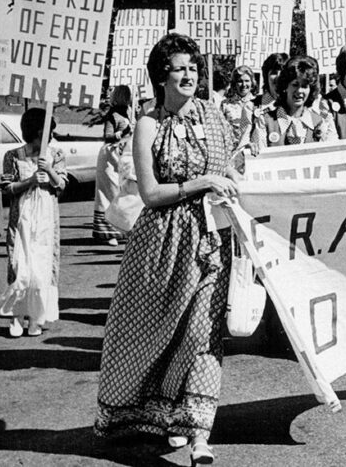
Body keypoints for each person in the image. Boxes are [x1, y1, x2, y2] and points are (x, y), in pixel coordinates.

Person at [95, 33, 240, 463]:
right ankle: (164, 415)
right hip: (162, 244)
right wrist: (202, 182)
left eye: (194, 68)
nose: (190, 75)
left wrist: (236, 176)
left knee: (202, 334)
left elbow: (229, 168)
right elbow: (151, 193)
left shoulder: (213, 116)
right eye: (180, 68)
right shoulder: (148, 124)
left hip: (211, 239)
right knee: (158, 337)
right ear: (162, 77)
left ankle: (199, 435)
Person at [0, 107, 67, 337]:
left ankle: (37, 318)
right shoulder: (13, 156)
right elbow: (7, 188)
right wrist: (31, 180)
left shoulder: (56, 154)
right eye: (47, 132)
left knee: (42, 270)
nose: (51, 136)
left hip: (46, 221)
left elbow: (62, 186)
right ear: (36, 132)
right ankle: (16, 317)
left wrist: (50, 171)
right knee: (21, 268)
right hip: (22, 220)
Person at [245, 56, 333, 154]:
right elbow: (259, 158)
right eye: (295, 84)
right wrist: (251, 151)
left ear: (311, 90)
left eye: (304, 86)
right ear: (285, 86)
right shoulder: (265, 120)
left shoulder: (319, 122)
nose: (299, 91)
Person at [93, 86, 135, 245]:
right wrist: (123, 133)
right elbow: (108, 136)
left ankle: (123, 229)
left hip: (125, 156)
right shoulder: (113, 115)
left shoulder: (130, 113)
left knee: (125, 191)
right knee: (110, 191)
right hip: (111, 156)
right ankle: (108, 233)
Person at [220, 65, 257, 140]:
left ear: (252, 83)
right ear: (234, 84)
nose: (244, 85)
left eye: (247, 81)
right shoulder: (225, 104)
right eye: (240, 81)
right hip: (232, 144)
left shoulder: (257, 103)